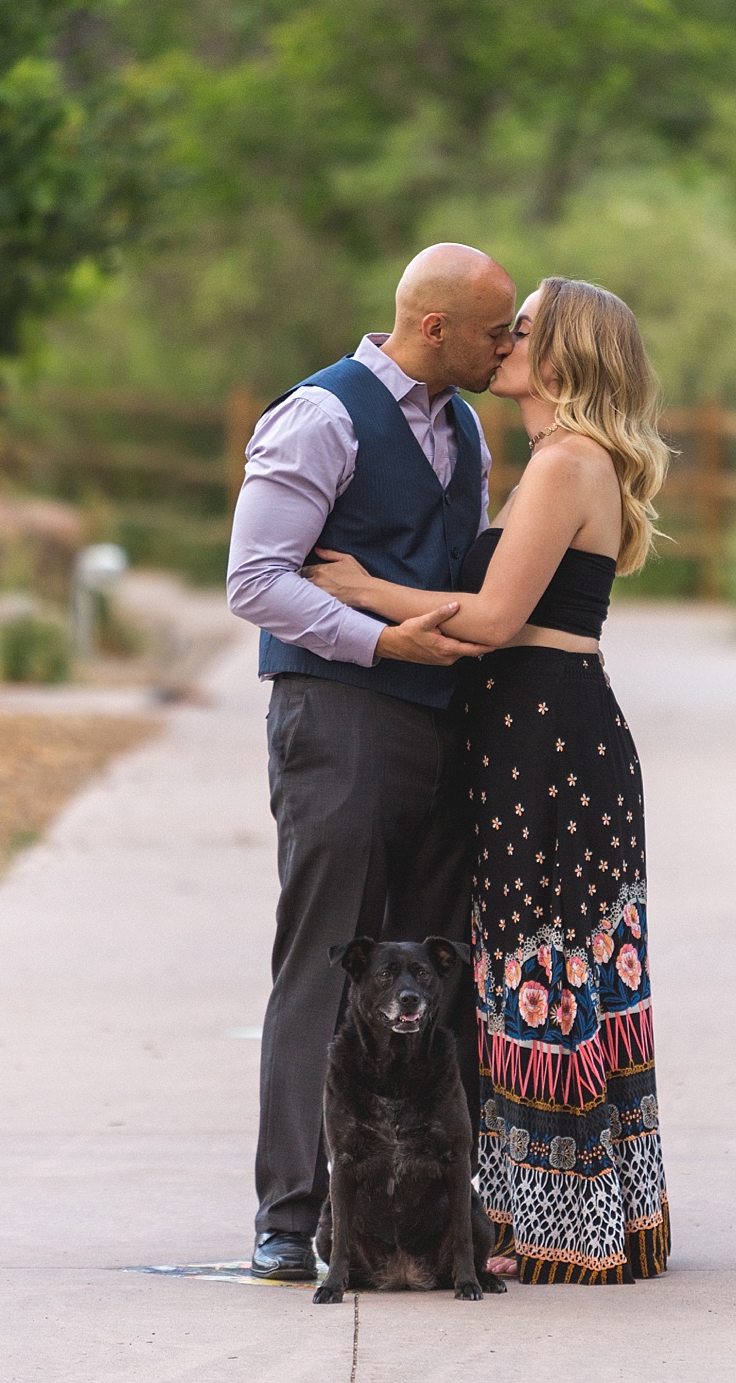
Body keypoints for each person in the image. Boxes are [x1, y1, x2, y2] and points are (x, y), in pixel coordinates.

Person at [301, 275, 672, 1283]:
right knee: (528, 961)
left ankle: (563, 1222)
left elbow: (496, 618)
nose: (504, 338)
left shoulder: (564, 461)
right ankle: (546, 1209)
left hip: (548, 737)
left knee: (542, 963)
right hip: (532, 731)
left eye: (525, 326)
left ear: (563, 355)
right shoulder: (546, 458)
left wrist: (359, 592)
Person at [226, 243, 515, 1284]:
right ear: (433, 326)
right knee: (326, 960)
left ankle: (432, 1220)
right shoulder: (321, 415)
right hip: (338, 715)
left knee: (431, 967)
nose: (506, 345)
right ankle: (286, 1211)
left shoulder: (464, 424)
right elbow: (253, 578)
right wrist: (379, 639)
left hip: (444, 726)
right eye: (494, 329)